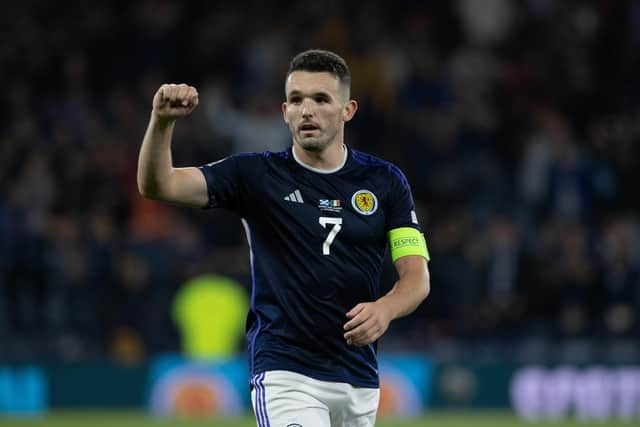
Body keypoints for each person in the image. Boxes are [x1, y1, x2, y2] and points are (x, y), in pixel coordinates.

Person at [137, 49, 431, 427]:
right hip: (286, 373)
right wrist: (161, 122)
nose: (307, 110)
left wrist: (385, 309)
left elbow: (416, 277)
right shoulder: (256, 175)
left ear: (348, 110)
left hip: (358, 378)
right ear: (285, 111)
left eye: (321, 99)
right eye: (296, 100)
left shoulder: (386, 182)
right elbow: (158, 184)